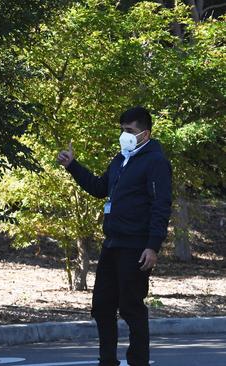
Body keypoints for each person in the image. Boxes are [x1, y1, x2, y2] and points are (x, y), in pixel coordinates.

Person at [56, 106, 172, 366]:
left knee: (131, 307)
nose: (124, 135)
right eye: (122, 130)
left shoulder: (156, 162)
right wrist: (72, 166)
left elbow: (161, 206)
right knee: (102, 306)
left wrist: (153, 246)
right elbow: (99, 188)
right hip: (113, 244)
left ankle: (138, 361)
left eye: (129, 130)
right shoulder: (121, 159)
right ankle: (107, 360)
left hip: (136, 246)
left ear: (145, 133)